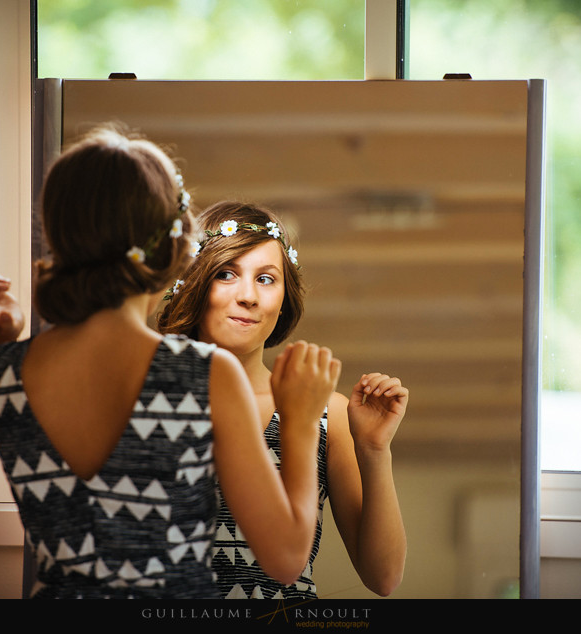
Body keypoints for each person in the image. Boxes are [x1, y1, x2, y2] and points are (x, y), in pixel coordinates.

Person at [0, 126, 341, 599]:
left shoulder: (3, 372)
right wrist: (302, 424)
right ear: (174, 249)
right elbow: (287, 560)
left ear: (60, 241)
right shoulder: (201, 375)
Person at [158, 201, 408, 600]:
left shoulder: (329, 412)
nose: (248, 296)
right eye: (226, 274)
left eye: (266, 279)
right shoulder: (148, 400)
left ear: (284, 298)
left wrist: (374, 449)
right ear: (192, 284)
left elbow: (383, 578)